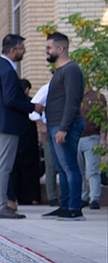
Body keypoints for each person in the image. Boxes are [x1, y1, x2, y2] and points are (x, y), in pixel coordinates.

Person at [0, 35, 44, 219]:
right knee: (4, 166)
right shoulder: (8, 70)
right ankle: (1, 206)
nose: (24, 51)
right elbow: (10, 100)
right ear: (12, 50)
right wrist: (33, 107)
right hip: (6, 124)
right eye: (21, 48)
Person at [40, 32, 86, 220]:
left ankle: (75, 208)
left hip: (65, 126)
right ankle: (65, 205)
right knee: (61, 167)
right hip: (54, 125)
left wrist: (64, 128)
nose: (46, 51)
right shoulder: (60, 71)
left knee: (69, 166)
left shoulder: (71, 70)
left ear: (60, 49)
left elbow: (72, 101)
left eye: (49, 47)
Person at [8, 79, 42, 206]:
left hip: (16, 139)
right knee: (31, 170)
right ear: (26, 89)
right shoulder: (30, 103)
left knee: (16, 169)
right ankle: (34, 197)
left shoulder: (14, 103)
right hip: (29, 141)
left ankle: (17, 196)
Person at [79, 89, 106, 209]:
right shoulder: (74, 95)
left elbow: (104, 118)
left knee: (93, 170)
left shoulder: (97, 97)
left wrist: (103, 138)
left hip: (92, 137)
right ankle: (83, 197)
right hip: (76, 137)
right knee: (78, 170)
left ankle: (94, 198)